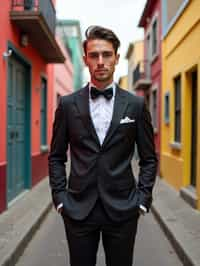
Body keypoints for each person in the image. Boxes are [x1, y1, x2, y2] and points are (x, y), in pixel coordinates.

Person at [48, 25, 157, 266]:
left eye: (106, 54)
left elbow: (149, 158)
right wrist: (59, 198)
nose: (100, 61)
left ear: (117, 58)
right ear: (86, 59)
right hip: (78, 210)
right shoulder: (67, 104)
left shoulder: (136, 105)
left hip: (123, 210)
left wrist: (142, 199)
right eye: (94, 55)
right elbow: (56, 156)